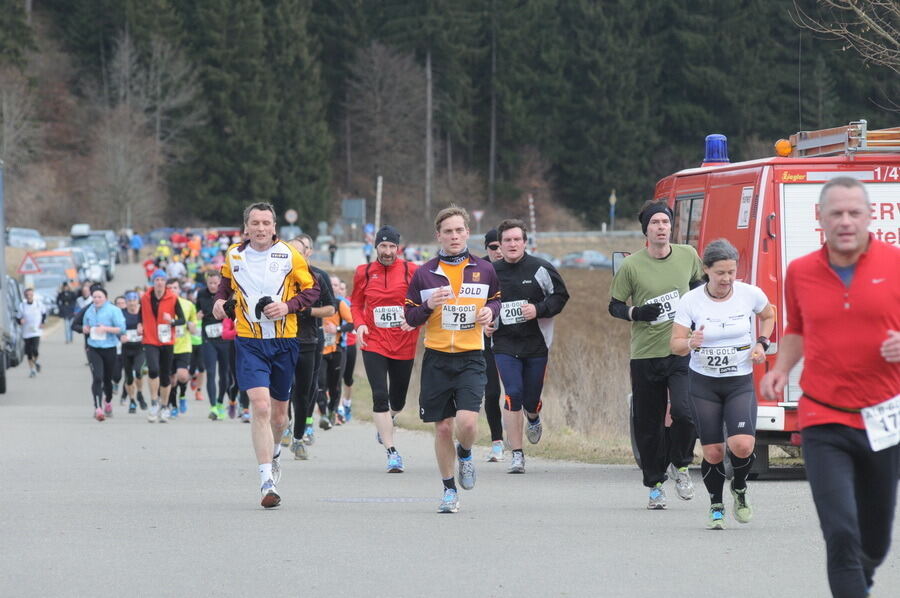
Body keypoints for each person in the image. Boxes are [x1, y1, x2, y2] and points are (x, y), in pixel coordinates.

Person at [760, 177, 900, 597]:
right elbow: (797, 329)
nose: (845, 221)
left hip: (883, 418)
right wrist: (781, 368)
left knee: (874, 541)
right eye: (835, 213)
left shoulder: (895, 264)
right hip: (823, 417)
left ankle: (863, 576)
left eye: (854, 212)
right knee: (841, 533)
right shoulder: (800, 271)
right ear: (820, 218)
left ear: (869, 216)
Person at [212, 202, 319, 509]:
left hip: (285, 341)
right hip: (249, 342)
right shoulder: (234, 255)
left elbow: (312, 291)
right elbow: (224, 287)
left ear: (275, 227)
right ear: (246, 227)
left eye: (266, 223)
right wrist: (219, 303)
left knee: (279, 415)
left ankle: (274, 454)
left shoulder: (289, 254)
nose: (260, 228)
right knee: (260, 407)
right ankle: (266, 482)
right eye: (255, 223)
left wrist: (287, 306)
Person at [670, 239, 775, 529]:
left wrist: (761, 343)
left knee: (742, 445)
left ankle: (739, 488)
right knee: (714, 452)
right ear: (706, 270)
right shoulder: (691, 300)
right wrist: (690, 341)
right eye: (721, 273)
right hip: (704, 383)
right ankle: (716, 503)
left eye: (732, 272)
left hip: (738, 381)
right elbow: (675, 344)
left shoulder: (749, 294)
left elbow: (769, 315)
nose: (727, 279)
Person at [405, 206, 501, 513]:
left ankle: (467, 453)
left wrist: (491, 313)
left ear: (467, 233)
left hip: (472, 356)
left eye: (459, 230)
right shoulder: (424, 273)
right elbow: (409, 315)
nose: (454, 236)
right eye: (448, 231)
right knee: (443, 427)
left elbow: (496, 301)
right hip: (437, 357)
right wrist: (429, 304)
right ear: (439, 236)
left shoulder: (485, 269)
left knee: (467, 423)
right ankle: (448, 491)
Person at [608, 200, 703, 509]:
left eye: (665, 222)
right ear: (646, 230)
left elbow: (699, 287)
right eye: (655, 223)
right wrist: (638, 312)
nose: (661, 228)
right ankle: (655, 485)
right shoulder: (631, 265)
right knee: (648, 422)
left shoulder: (688, 255)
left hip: (680, 349)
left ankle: (682, 464)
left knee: (685, 413)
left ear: (671, 227)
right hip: (646, 353)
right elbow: (615, 305)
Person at [489, 219, 569, 474]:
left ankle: (533, 417)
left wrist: (538, 309)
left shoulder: (541, 268)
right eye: (507, 240)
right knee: (512, 394)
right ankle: (517, 454)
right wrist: (485, 324)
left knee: (530, 400)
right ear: (500, 245)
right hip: (503, 344)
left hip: (536, 344)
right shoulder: (490, 272)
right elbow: (479, 304)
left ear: (525, 242)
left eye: (517, 239)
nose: (512, 244)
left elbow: (560, 296)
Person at [351, 225, 420, 473]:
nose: (388, 251)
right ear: (376, 247)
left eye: (392, 246)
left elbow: (423, 302)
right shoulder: (365, 272)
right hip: (374, 341)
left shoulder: (412, 271)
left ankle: (389, 419)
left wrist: (415, 319)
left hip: (404, 343)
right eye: (383, 246)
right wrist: (359, 325)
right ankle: (392, 452)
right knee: (380, 394)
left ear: (398, 248)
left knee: (397, 399)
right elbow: (356, 304)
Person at [286, 234, 335, 460]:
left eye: (300, 250)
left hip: (310, 339)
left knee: (304, 390)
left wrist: (307, 312)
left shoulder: (318, 276)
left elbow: (331, 309)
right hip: (282, 339)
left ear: (308, 252)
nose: (296, 255)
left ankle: (299, 434)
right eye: (291, 251)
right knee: (282, 388)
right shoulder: (280, 276)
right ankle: (285, 426)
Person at [142, 270, 186, 423]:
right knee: (153, 370)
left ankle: (165, 406)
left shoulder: (172, 298)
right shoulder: (145, 297)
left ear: (165, 282)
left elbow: (182, 320)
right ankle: (154, 402)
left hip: (167, 340)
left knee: (166, 375)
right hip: (150, 339)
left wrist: (172, 321)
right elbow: (139, 315)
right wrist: (139, 325)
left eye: (162, 279)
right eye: (157, 279)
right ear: (153, 281)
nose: (159, 282)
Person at [82, 287, 126, 421]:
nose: (96, 299)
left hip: (110, 348)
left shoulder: (114, 310)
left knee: (107, 379)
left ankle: (108, 401)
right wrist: (85, 329)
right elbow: (84, 326)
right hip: (93, 348)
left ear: (106, 298)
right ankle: (98, 408)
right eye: (94, 297)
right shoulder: (89, 310)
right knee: (97, 377)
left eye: (99, 297)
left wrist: (105, 329)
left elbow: (121, 329)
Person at [481, 229, 505, 462]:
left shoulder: (517, 265)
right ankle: (497, 442)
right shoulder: (481, 269)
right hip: (486, 339)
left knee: (516, 393)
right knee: (491, 393)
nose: (499, 251)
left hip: (515, 340)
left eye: (502, 245)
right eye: (493, 247)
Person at [196, 271, 233, 419]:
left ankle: (219, 402)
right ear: (207, 282)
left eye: (216, 283)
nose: (213, 286)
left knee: (225, 374)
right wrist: (198, 316)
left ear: (220, 283)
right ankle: (213, 407)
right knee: (210, 372)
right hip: (208, 339)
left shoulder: (226, 294)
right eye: (210, 283)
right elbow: (197, 311)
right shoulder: (201, 294)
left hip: (224, 339)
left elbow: (232, 313)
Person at [318, 275, 353, 428]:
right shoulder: (318, 303)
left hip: (338, 349)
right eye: (330, 284)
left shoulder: (340, 304)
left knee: (335, 385)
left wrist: (337, 329)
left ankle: (333, 410)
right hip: (320, 350)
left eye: (336, 284)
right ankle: (324, 414)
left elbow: (352, 324)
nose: (333, 287)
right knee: (321, 383)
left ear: (340, 287)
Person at [166, 278, 199, 417]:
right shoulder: (163, 305)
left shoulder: (188, 305)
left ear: (179, 289)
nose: (172, 290)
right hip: (168, 346)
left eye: (175, 287)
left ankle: (183, 395)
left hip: (184, 345)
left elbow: (193, 326)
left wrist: (191, 326)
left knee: (183, 376)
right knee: (171, 380)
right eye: (170, 288)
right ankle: (173, 405)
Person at [120, 290, 147, 413]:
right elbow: (117, 328)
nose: (132, 303)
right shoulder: (121, 313)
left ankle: (140, 393)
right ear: (126, 302)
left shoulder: (143, 312)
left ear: (138, 300)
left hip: (140, 348)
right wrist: (120, 336)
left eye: (134, 300)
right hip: (126, 348)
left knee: (138, 371)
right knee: (129, 378)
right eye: (129, 300)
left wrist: (144, 329)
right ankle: (132, 401)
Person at [17, 288, 47, 378]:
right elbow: (18, 317)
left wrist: (42, 322)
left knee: (35, 351)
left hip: (36, 331)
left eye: (30, 294)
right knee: (29, 352)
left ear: (33, 295)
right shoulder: (22, 306)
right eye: (27, 295)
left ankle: (35, 361)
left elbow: (44, 314)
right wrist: (20, 321)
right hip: (26, 332)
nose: (29, 296)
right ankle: (32, 370)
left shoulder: (38, 304)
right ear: (25, 296)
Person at [337, 279, 356, 423]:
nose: (340, 290)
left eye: (343, 288)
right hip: (337, 345)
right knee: (336, 378)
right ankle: (338, 409)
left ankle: (347, 404)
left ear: (346, 291)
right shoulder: (331, 303)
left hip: (350, 344)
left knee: (348, 379)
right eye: (338, 287)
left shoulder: (350, 303)